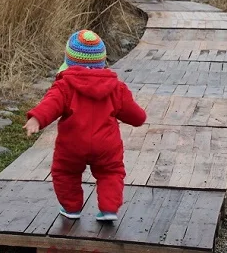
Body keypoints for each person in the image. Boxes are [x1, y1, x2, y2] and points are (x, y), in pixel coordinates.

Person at [24, 30, 146, 221]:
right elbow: (137, 117)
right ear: (103, 61)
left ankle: (71, 208)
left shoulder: (65, 85)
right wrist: (140, 116)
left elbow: (51, 104)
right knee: (111, 172)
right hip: (107, 145)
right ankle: (109, 209)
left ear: (69, 61)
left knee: (65, 172)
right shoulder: (116, 87)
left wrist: (37, 119)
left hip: (72, 144)